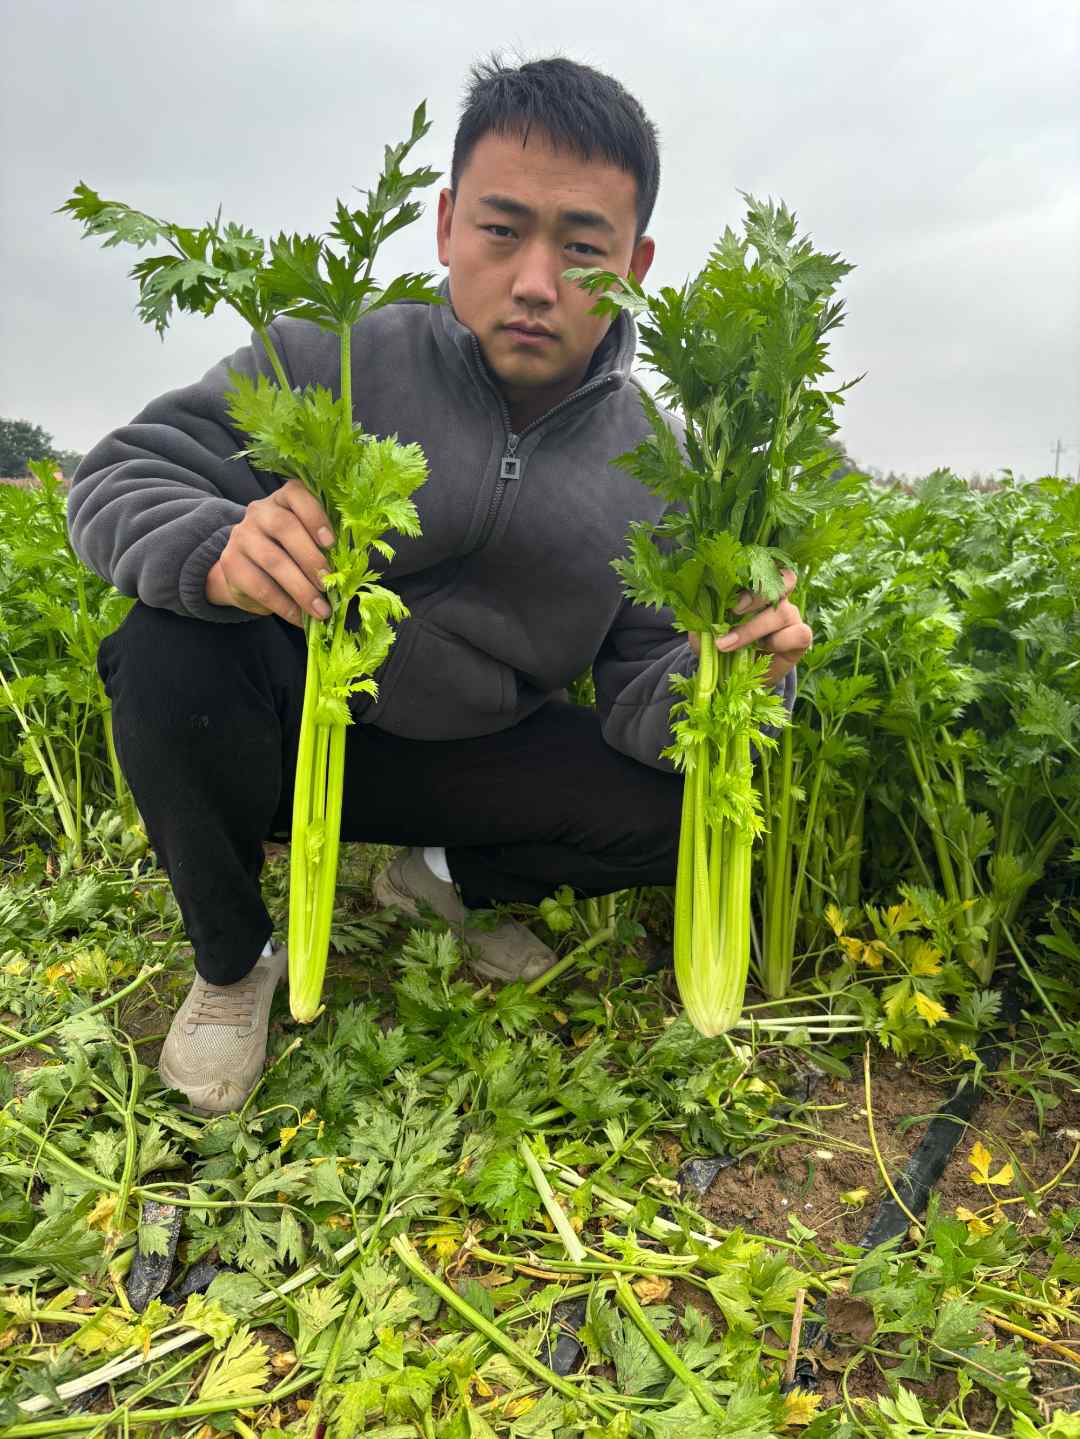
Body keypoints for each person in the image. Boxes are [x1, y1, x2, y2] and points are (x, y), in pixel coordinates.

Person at [69, 57, 812, 1113]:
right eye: (502, 230)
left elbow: (651, 692)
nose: (537, 282)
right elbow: (119, 472)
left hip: (465, 757)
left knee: (689, 804)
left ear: (636, 262)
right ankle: (234, 964)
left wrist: (727, 674)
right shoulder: (335, 356)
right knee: (165, 643)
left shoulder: (664, 465)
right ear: (445, 225)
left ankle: (439, 879)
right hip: (293, 728)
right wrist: (218, 547)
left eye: (585, 247)